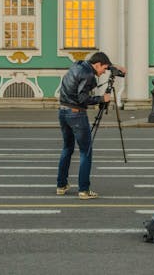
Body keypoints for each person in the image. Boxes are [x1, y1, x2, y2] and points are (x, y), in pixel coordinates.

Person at [57, 52, 126, 200]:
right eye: (104, 69)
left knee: (67, 148)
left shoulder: (78, 65)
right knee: (85, 152)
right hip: (76, 113)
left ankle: (61, 186)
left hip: (63, 111)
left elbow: (99, 61)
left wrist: (114, 66)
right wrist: (102, 98)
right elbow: (83, 98)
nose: (103, 73)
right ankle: (84, 190)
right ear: (97, 65)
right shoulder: (89, 75)